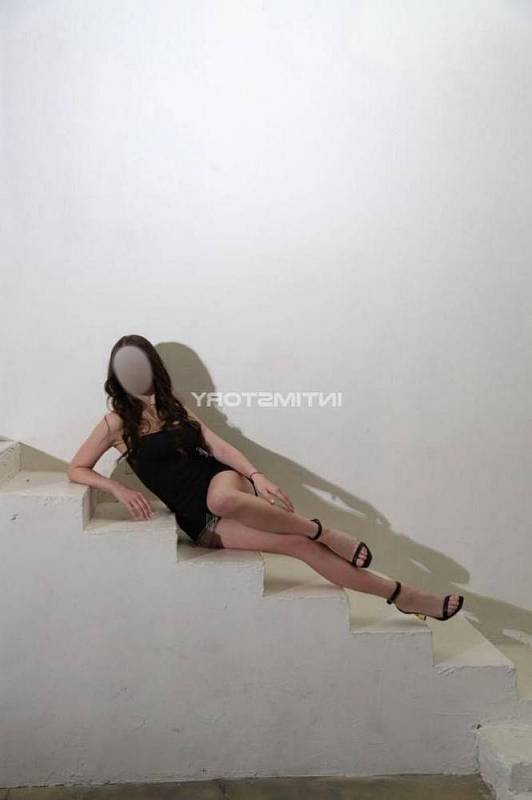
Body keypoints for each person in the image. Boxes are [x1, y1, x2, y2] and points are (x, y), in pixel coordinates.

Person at [68, 334, 464, 623]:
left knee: (221, 498)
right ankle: (402, 594)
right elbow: (77, 467)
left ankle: (324, 531)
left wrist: (256, 476)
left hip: (221, 484)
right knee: (299, 546)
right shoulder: (115, 423)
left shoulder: (175, 407)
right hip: (200, 522)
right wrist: (116, 486)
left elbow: (217, 446)